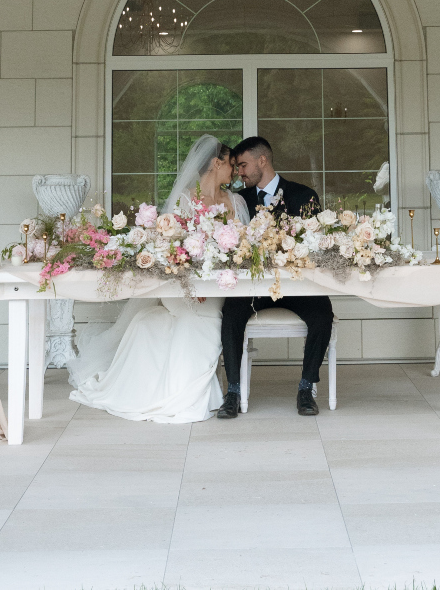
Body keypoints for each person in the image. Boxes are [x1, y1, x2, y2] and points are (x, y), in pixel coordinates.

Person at [67, 135, 249, 424]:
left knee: (203, 319)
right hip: (183, 285)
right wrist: (192, 286)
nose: (236, 171)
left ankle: (179, 391)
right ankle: (180, 394)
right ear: (216, 163)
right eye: (230, 163)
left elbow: (246, 247)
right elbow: (171, 248)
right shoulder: (185, 199)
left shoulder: (237, 202)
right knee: (190, 315)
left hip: (219, 284)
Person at [217, 136, 334, 419]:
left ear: (263, 160)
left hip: (295, 286)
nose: (239, 172)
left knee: (322, 313)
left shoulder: (303, 195)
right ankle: (232, 393)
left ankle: (306, 388)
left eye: (243, 165)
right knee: (231, 313)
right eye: (236, 166)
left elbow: (315, 245)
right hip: (254, 287)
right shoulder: (238, 201)